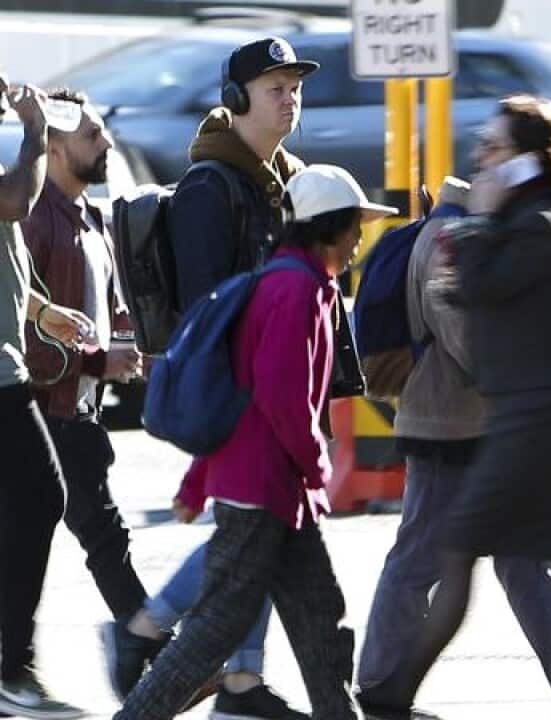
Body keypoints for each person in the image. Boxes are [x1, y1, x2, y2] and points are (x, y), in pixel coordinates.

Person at [114, 164, 393, 720]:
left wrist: (202, 481)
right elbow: (279, 396)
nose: (360, 235)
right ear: (329, 227)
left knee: (319, 618)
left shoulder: (295, 281)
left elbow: (240, 391)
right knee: (215, 629)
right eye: (355, 224)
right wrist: (318, 468)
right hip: (265, 490)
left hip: (275, 491)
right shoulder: (298, 290)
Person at [104, 36, 318, 719]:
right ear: (236, 99)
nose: (290, 100)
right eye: (275, 89)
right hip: (234, 391)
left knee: (260, 533)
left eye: (295, 88)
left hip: (273, 386)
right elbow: (207, 307)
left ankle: (242, 679)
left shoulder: (285, 180)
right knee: (250, 534)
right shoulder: (211, 186)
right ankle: (148, 629)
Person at [354, 177, 551, 717]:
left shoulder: (458, 234)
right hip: (448, 430)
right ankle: (378, 686)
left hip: (477, 427)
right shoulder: (446, 238)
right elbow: (467, 337)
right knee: (422, 563)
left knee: (523, 562)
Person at [20, 87, 150, 643]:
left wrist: (125, 355)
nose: (107, 142)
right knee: (96, 533)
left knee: (92, 533)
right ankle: (154, 647)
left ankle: (147, 644)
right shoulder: (33, 221)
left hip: (81, 411)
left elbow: (108, 312)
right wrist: (97, 359)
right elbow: (24, 325)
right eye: (92, 135)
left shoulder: (91, 219)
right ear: (51, 147)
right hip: (45, 416)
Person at [0, 75, 88, 720]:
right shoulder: (20, 159)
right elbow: (13, 203)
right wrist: (35, 130)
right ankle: (11, 669)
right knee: (41, 494)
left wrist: (40, 311)